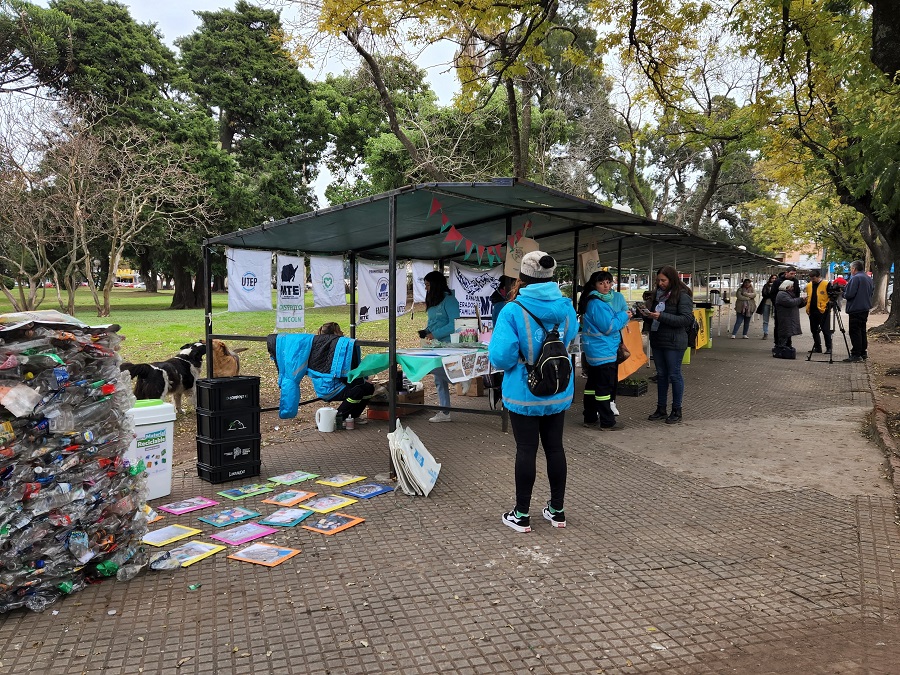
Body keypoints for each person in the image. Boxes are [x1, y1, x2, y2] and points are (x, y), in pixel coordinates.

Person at [489, 251, 578, 532]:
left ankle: (521, 514)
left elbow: (501, 357)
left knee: (526, 449)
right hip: (558, 388)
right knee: (555, 448)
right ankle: (557, 511)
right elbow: (570, 338)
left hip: (524, 391)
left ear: (522, 277)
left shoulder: (512, 310)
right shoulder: (566, 306)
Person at [577, 271, 631, 430]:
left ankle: (590, 417)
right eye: (601, 283)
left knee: (592, 386)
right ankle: (607, 421)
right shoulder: (598, 304)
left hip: (595, 350)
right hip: (603, 351)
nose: (606, 286)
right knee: (604, 387)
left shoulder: (591, 301)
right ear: (594, 285)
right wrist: (624, 316)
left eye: (608, 282)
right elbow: (609, 327)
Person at [646, 265, 695, 425]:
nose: (660, 283)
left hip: (674, 341)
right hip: (658, 339)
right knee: (661, 375)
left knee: (674, 374)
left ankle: (676, 409)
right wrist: (646, 314)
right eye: (658, 280)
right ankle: (661, 408)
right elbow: (654, 314)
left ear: (672, 279)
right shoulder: (656, 295)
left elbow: (686, 319)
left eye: (663, 280)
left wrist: (661, 317)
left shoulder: (682, 295)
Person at [315, 322, 375, 423]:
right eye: (339, 330)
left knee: (368, 388)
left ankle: (353, 417)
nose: (342, 332)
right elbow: (341, 375)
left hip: (337, 383)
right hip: (328, 387)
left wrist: (363, 380)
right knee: (357, 391)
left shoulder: (336, 347)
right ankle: (336, 419)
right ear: (334, 333)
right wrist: (361, 381)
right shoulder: (333, 350)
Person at [422, 271, 460, 422]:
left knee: (432, 368)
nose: (426, 288)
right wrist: (426, 331)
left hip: (448, 344)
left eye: (428, 285)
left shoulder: (450, 300)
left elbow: (454, 324)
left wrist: (435, 334)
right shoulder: (433, 300)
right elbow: (432, 322)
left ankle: (458, 380)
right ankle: (445, 412)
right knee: (438, 378)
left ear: (436, 284)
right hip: (435, 344)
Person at [842, 260, 874, 362]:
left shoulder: (856, 278)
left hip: (856, 308)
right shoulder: (868, 278)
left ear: (854, 269)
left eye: (851, 268)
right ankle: (863, 352)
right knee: (862, 330)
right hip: (865, 307)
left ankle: (856, 354)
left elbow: (849, 294)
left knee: (855, 331)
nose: (850, 270)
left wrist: (843, 293)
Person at [805, 269, 833, 354]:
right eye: (811, 278)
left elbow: (831, 296)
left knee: (826, 330)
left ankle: (829, 348)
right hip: (812, 310)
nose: (812, 280)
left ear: (818, 277)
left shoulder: (826, 284)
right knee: (814, 330)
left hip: (823, 310)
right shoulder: (809, 285)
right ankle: (817, 347)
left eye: (814, 278)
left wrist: (828, 306)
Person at [766, 266, 799, 340]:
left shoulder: (795, 281)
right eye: (791, 273)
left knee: (789, 326)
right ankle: (777, 342)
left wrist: (796, 303)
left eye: (794, 274)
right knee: (779, 325)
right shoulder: (778, 281)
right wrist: (776, 304)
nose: (793, 275)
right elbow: (773, 294)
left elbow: (797, 293)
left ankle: (788, 343)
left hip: (790, 307)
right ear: (786, 273)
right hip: (780, 308)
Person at [774, 280, 806, 349]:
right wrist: (800, 299)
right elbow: (790, 302)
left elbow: (795, 304)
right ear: (787, 286)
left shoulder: (788, 293)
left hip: (788, 316)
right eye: (791, 286)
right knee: (784, 333)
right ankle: (782, 348)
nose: (793, 288)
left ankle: (787, 347)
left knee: (788, 333)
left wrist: (804, 302)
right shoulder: (782, 294)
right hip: (785, 317)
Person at [756, 274, 777, 339]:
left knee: (776, 319)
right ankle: (765, 333)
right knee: (765, 320)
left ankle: (776, 333)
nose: (774, 279)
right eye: (772, 278)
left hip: (775, 304)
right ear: (770, 279)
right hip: (766, 303)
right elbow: (764, 294)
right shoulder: (766, 285)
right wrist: (771, 294)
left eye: (775, 278)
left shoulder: (778, 286)